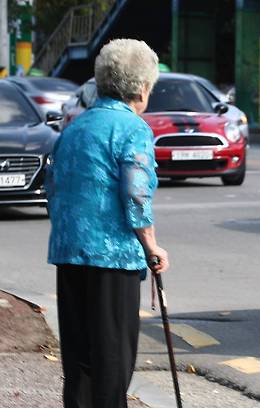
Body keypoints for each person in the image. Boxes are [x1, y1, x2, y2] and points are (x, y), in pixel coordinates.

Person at [46, 38, 170, 408]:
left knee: (80, 364)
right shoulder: (132, 129)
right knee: (112, 365)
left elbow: (54, 189)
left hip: (69, 254)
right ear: (143, 87)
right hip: (112, 260)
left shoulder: (74, 129)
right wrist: (152, 246)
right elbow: (136, 195)